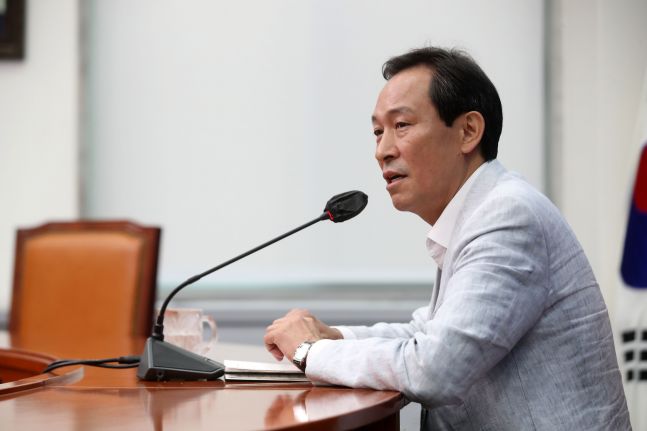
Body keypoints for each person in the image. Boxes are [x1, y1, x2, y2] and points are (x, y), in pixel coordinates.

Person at [263, 47, 631, 430]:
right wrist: (334, 337)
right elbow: (428, 332)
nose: (382, 151)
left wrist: (309, 351)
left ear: (468, 131)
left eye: (401, 125)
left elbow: (434, 369)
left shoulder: (508, 217)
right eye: (377, 132)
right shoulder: (480, 212)